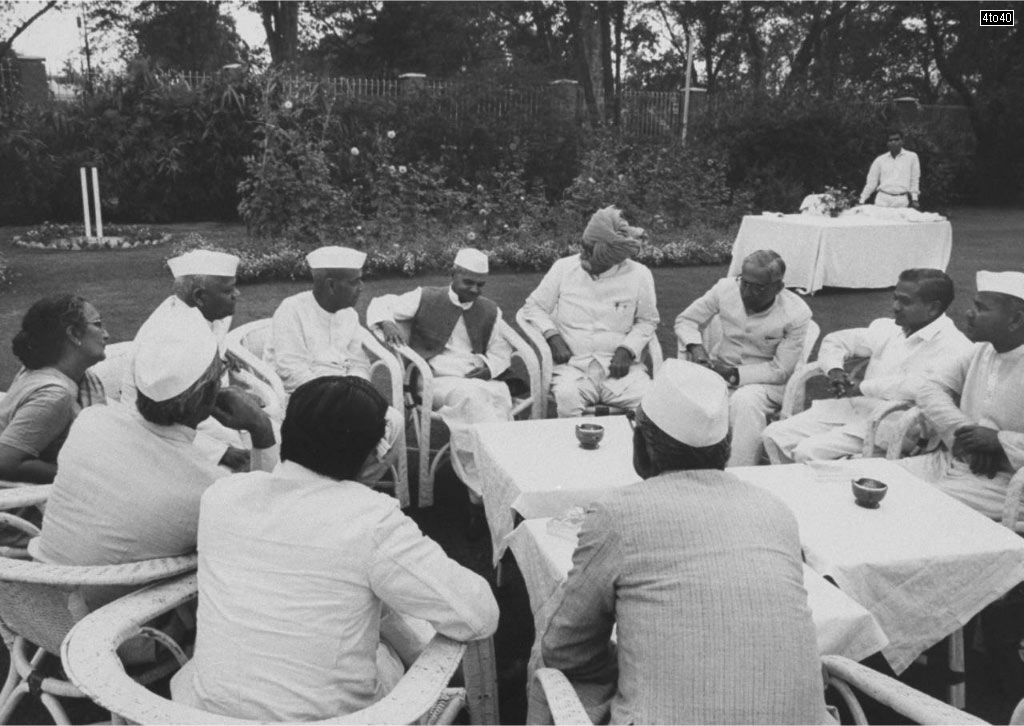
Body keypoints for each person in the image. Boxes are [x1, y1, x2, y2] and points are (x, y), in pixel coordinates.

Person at [171, 376, 499, 721]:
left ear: (290, 430)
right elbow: (478, 616)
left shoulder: (222, 497)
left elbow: (284, 512)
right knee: (395, 622)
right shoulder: (372, 519)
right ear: (369, 453)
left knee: (369, 601)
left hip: (209, 714)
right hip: (334, 718)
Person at [535, 360, 829, 725]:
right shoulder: (775, 509)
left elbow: (566, 650)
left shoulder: (617, 514)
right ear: (728, 446)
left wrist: (625, 661)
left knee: (545, 653)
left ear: (641, 447)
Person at [35, 310, 276, 606]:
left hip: (37, 599)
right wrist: (261, 430)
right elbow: (266, 522)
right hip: (121, 630)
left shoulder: (91, 421)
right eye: (221, 372)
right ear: (208, 395)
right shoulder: (207, 489)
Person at [763, 269, 972, 464]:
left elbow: (920, 387)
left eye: (905, 302)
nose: (895, 307)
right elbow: (836, 341)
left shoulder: (954, 345)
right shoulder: (889, 328)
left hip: (899, 426)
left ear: (933, 307)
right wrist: (835, 371)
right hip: (855, 410)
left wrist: (862, 387)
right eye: (895, 298)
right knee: (774, 435)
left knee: (808, 451)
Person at [367, 248, 514, 494]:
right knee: (473, 401)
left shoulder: (490, 310)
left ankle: (495, 477)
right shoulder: (426, 297)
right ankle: (481, 488)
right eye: (468, 282)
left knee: (496, 401)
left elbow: (500, 351)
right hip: (432, 378)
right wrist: (387, 321)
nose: (474, 291)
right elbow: (380, 302)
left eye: (480, 285)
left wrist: (489, 368)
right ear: (453, 274)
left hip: (474, 377)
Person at [266, 245, 404, 484]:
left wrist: (356, 396)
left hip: (345, 396)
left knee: (395, 421)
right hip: (303, 401)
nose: (361, 288)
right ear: (331, 285)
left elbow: (359, 364)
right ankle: (328, 489)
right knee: (350, 430)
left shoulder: (348, 314)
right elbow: (291, 371)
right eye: (355, 282)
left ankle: (355, 487)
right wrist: (340, 400)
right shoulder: (292, 310)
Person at [899, 271, 1024, 522]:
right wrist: (965, 431)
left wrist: (1001, 442)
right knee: (880, 478)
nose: (968, 313)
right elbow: (929, 389)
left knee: (909, 509)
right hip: (957, 461)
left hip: (1009, 484)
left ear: (1015, 320)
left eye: (980, 308)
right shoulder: (982, 351)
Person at [674, 249, 811, 466]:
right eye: (744, 282)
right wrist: (697, 349)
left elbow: (781, 370)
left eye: (758, 287)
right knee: (681, 388)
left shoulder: (796, 313)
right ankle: (684, 466)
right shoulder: (724, 289)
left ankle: (740, 472)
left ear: (778, 287)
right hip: (719, 368)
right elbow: (686, 321)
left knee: (745, 401)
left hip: (766, 383)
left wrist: (733, 375)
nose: (747, 293)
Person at [520, 206, 658, 418]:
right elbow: (533, 307)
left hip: (621, 371)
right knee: (567, 398)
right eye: (583, 246)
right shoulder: (564, 268)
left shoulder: (639, 275)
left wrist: (628, 350)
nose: (581, 254)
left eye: (589, 251)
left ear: (609, 257)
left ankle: (633, 451)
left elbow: (647, 321)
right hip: (573, 369)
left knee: (652, 405)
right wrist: (552, 335)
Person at [122, 249, 248, 471]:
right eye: (228, 290)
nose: (237, 294)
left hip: (206, 416)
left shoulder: (205, 314)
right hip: (162, 441)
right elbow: (148, 416)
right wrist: (219, 451)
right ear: (200, 297)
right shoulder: (168, 335)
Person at [0, 295, 107, 483]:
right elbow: (5, 463)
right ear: (73, 333)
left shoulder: (48, 372)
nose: (106, 334)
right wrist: (81, 475)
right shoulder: (54, 396)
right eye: (97, 325)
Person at [859, 129, 921, 209]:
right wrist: (862, 200)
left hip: (901, 200)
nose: (893, 142)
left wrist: (914, 199)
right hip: (882, 199)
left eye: (896, 139)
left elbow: (914, 179)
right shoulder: (880, 160)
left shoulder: (912, 157)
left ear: (902, 141)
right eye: (890, 140)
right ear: (887, 143)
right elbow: (871, 182)